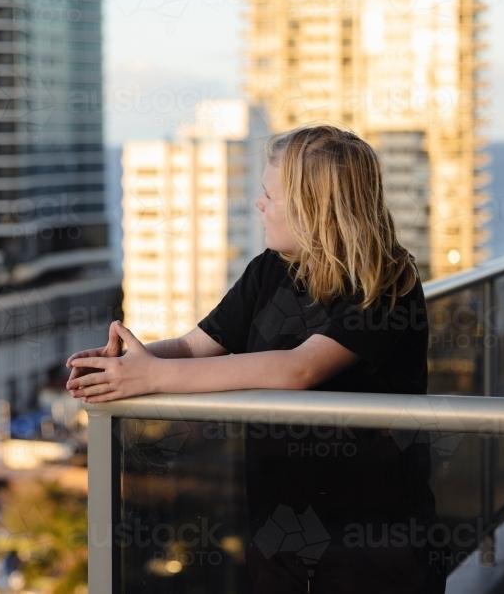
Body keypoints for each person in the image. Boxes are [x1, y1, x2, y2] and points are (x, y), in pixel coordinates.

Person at [65, 124, 447, 593]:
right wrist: (125, 364)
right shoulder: (269, 268)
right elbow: (195, 346)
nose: (258, 205)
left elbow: (298, 368)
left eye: (269, 195)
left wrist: (153, 376)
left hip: (376, 543)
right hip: (281, 533)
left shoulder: (386, 282)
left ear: (314, 208)